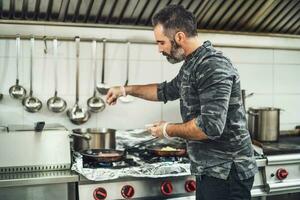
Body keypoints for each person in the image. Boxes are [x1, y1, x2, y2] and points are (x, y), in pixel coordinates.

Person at [106, 5, 257, 200]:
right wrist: (124, 90)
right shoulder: (192, 64)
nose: (159, 49)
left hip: (227, 171)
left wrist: (167, 129)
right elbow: (164, 91)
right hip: (211, 169)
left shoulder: (213, 66)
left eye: (161, 43)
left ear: (179, 37)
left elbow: (210, 127)